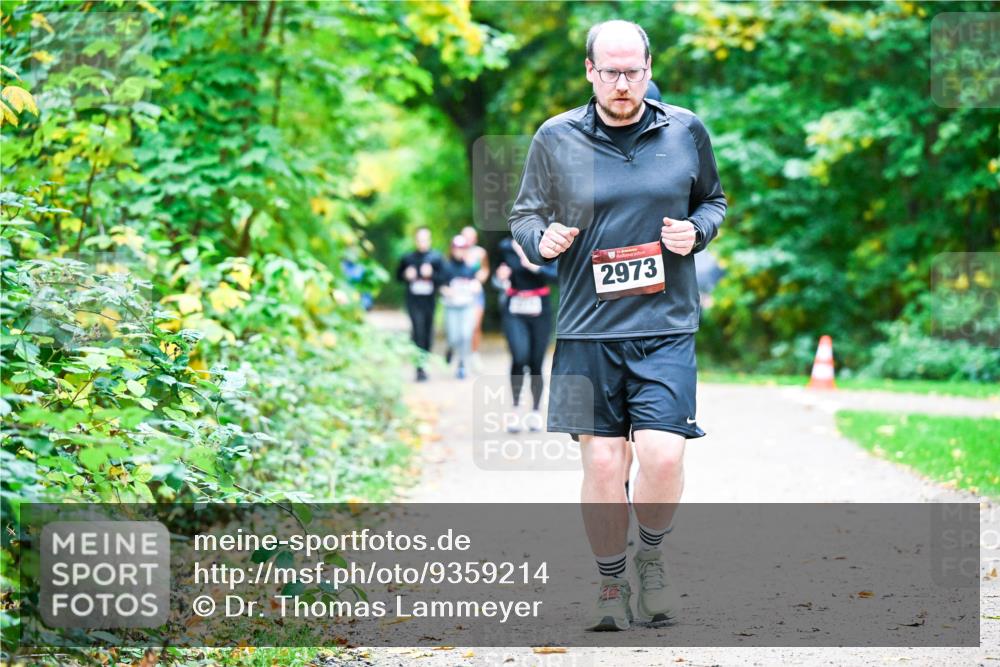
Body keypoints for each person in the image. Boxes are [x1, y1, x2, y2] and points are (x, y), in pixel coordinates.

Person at [507, 19, 727, 631]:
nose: (622, 83)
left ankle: (651, 560)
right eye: (610, 72)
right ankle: (610, 585)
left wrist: (698, 231)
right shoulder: (555, 137)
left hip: (666, 326)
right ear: (589, 72)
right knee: (603, 465)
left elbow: (713, 200)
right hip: (585, 329)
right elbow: (525, 213)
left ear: (650, 68)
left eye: (633, 72)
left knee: (661, 454)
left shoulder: (685, 130)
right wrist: (540, 238)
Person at [492, 237, 558, 433]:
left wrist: (534, 267)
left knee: (536, 362)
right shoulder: (504, 247)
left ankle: (535, 411)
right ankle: (515, 409)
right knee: (519, 357)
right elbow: (495, 279)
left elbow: (558, 276)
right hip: (514, 308)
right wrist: (500, 278)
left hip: (540, 310)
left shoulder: (546, 245)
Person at [396, 227, 444, 382]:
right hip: (413, 301)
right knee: (418, 331)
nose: (422, 242)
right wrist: (406, 275)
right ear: (415, 240)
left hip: (429, 302)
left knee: (428, 333)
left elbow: (445, 278)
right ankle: (419, 368)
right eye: (419, 239)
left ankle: (424, 361)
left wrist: (432, 275)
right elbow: (397, 276)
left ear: (430, 240)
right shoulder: (408, 258)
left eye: (425, 239)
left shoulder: (436, 258)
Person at [439, 235, 482, 380]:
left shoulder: (470, 267)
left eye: (462, 248)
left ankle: (462, 365)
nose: (459, 251)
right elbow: (440, 285)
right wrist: (446, 291)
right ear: (452, 249)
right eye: (456, 248)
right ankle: (450, 348)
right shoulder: (446, 267)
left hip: (466, 307)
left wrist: (476, 286)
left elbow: (476, 283)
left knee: (466, 335)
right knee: (453, 337)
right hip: (451, 307)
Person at [461, 225, 490, 371]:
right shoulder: (457, 252)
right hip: (460, 294)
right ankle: (461, 354)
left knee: (475, 325)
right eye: (465, 236)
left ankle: (474, 353)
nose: (468, 239)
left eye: (470, 236)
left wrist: (479, 279)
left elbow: (485, 269)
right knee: (461, 327)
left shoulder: (480, 253)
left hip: (475, 294)